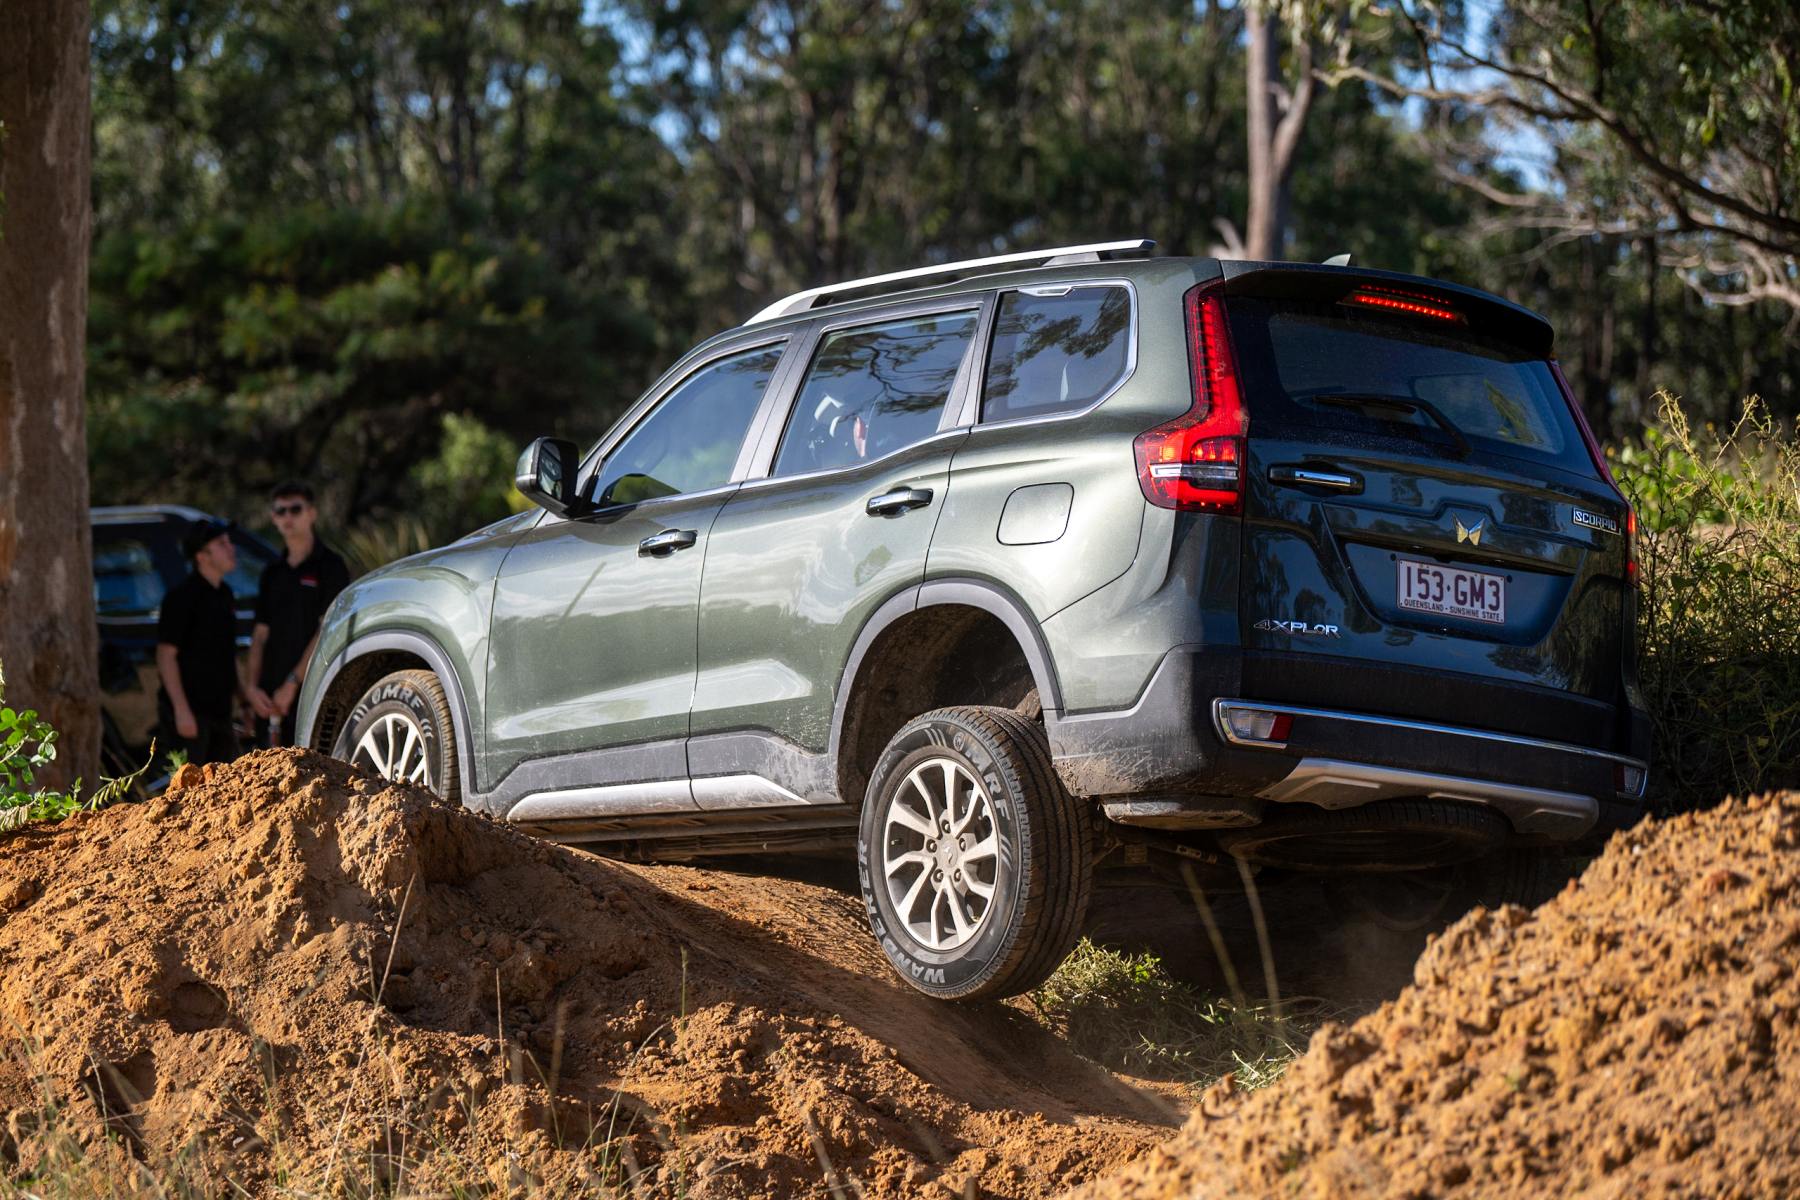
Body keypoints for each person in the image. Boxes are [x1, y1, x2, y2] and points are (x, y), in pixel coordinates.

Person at [246, 482, 349, 746]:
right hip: (269, 697)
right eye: (281, 511)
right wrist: (252, 688)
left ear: (312, 513)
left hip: (313, 689)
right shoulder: (272, 572)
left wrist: (293, 683)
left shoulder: (331, 566)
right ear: (273, 518)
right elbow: (259, 634)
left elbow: (327, 630)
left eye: (295, 509)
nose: (288, 517)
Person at [155, 518, 245, 766]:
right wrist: (181, 710)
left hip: (221, 712)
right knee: (188, 788)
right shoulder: (181, 598)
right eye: (221, 544)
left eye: (229, 542)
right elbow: (166, 656)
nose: (231, 548)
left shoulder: (225, 594)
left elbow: (228, 653)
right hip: (191, 715)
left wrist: (243, 699)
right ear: (202, 556)